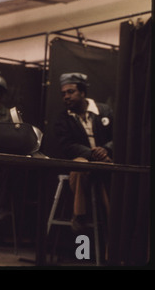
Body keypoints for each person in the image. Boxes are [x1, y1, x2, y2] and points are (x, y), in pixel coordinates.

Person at [54, 72, 113, 232]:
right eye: (63, 93)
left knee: (106, 175)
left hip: (107, 162)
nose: (66, 96)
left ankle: (113, 226)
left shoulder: (105, 111)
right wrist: (92, 154)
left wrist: (106, 149)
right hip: (83, 163)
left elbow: (119, 137)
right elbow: (67, 145)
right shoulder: (63, 119)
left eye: (70, 92)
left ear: (82, 92)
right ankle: (80, 214)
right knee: (80, 166)